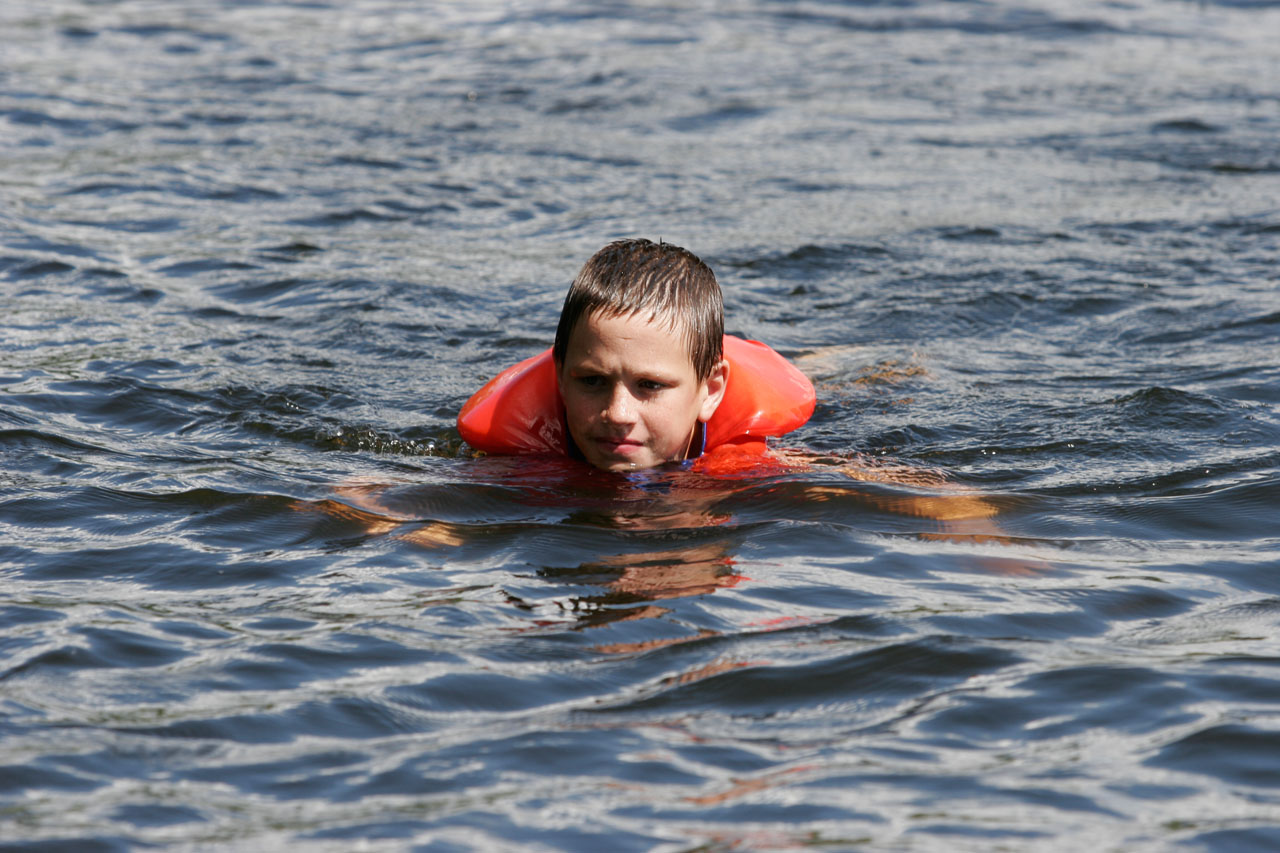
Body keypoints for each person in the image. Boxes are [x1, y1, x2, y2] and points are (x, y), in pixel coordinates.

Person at [457, 238, 815, 472]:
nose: (617, 413)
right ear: (561, 378)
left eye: (650, 385)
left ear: (711, 390)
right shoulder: (515, 448)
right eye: (592, 381)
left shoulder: (748, 456)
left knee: (823, 368)